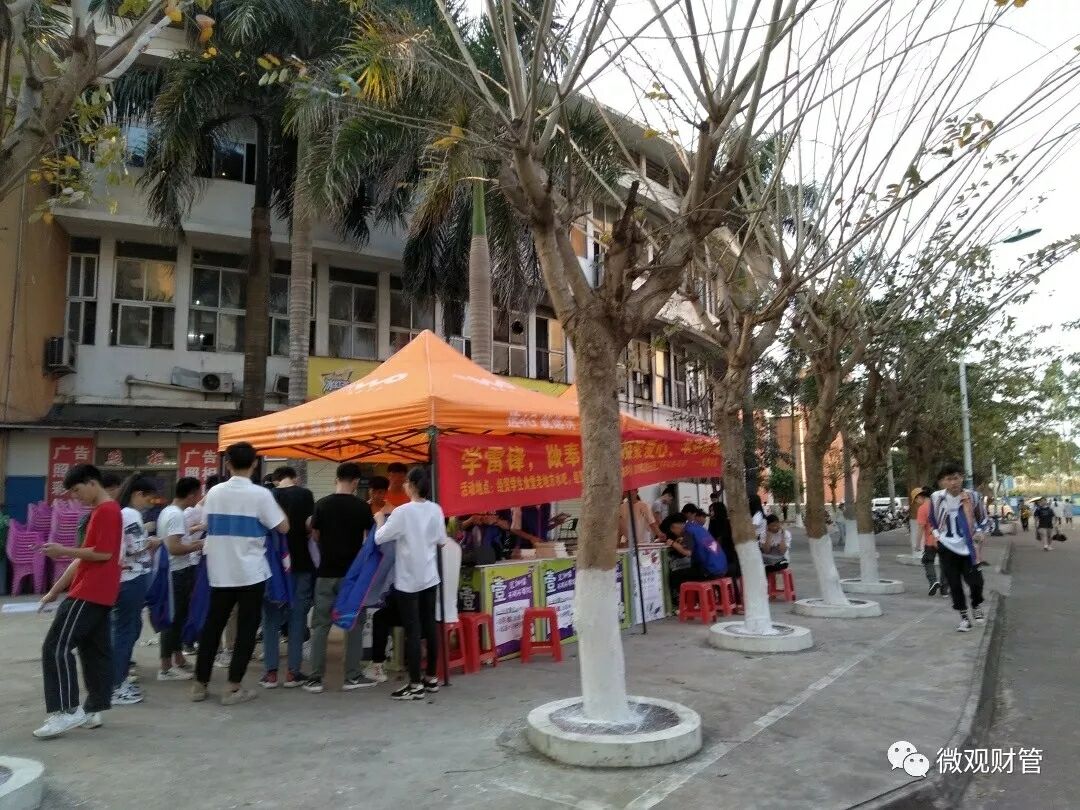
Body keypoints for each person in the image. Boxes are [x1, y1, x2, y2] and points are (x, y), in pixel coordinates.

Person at [193, 442, 288, 705]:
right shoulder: (261, 494)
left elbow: (206, 521)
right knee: (246, 630)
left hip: (219, 571)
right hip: (251, 573)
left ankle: (200, 684)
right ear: (255, 463)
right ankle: (233, 687)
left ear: (227, 464)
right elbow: (283, 527)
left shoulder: (214, 492)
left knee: (213, 626)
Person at [33, 464, 122, 738]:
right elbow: (86, 555)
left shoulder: (106, 511)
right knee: (94, 651)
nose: (75, 496)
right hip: (99, 592)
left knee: (55, 647)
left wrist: (62, 550)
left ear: (92, 482)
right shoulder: (103, 511)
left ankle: (66, 711)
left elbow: (103, 554)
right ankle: (93, 709)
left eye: (76, 490)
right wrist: (55, 590)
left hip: (89, 591)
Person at [373, 466, 447, 700]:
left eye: (406, 482)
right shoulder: (435, 509)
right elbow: (442, 541)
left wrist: (379, 519)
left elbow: (379, 538)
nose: (404, 485)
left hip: (408, 580)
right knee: (430, 627)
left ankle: (415, 685)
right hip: (429, 576)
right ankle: (431, 678)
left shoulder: (402, 512)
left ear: (412, 486)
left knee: (413, 631)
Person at [303, 463, 375, 693]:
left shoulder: (321, 504)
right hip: (352, 577)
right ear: (355, 482)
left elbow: (315, 535)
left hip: (325, 573)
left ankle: (315, 678)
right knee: (353, 624)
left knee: (320, 626)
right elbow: (370, 540)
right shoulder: (362, 507)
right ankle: (352, 676)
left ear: (336, 479)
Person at [261, 465, 316, 689]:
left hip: (272, 566)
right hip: (301, 563)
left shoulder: (267, 496)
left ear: (276, 480)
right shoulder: (305, 495)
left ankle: (271, 674)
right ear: (295, 478)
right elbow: (310, 526)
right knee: (297, 617)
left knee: (270, 619)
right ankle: (293, 673)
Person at [110, 476, 161, 706]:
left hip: (126, 579)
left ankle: (117, 681)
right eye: (148, 498)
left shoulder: (122, 513)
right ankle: (116, 685)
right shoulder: (130, 514)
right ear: (137, 494)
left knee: (125, 630)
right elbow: (134, 547)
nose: (149, 504)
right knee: (125, 632)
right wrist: (153, 541)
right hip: (131, 579)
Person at [928, 463, 988, 632]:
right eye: (949, 479)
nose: (953, 482)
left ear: (962, 478)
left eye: (956, 478)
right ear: (942, 482)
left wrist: (980, 531)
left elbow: (983, 518)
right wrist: (936, 534)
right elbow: (932, 518)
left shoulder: (973, 496)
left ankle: (976, 605)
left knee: (976, 582)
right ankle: (964, 618)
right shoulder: (936, 497)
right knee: (954, 585)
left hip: (968, 547)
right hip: (947, 547)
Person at [157, 476, 204, 681]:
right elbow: (174, 548)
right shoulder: (176, 515)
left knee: (179, 617)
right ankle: (166, 667)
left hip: (178, 571)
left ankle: (178, 659)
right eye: (199, 493)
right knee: (174, 619)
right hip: (176, 572)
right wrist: (199, 545)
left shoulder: (169, 511)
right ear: (191, 494)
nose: (200, 497)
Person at [912, 487, 947, 597]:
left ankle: (933, 581)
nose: (916, 503)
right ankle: (944, 589)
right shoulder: (939, 505)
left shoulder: (922, 508)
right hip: (944, 540)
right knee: (945, 563)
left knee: (927, 561)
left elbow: (921, 528)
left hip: (930, 541)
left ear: (919, 497)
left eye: (915, 500)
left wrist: (917, 544)